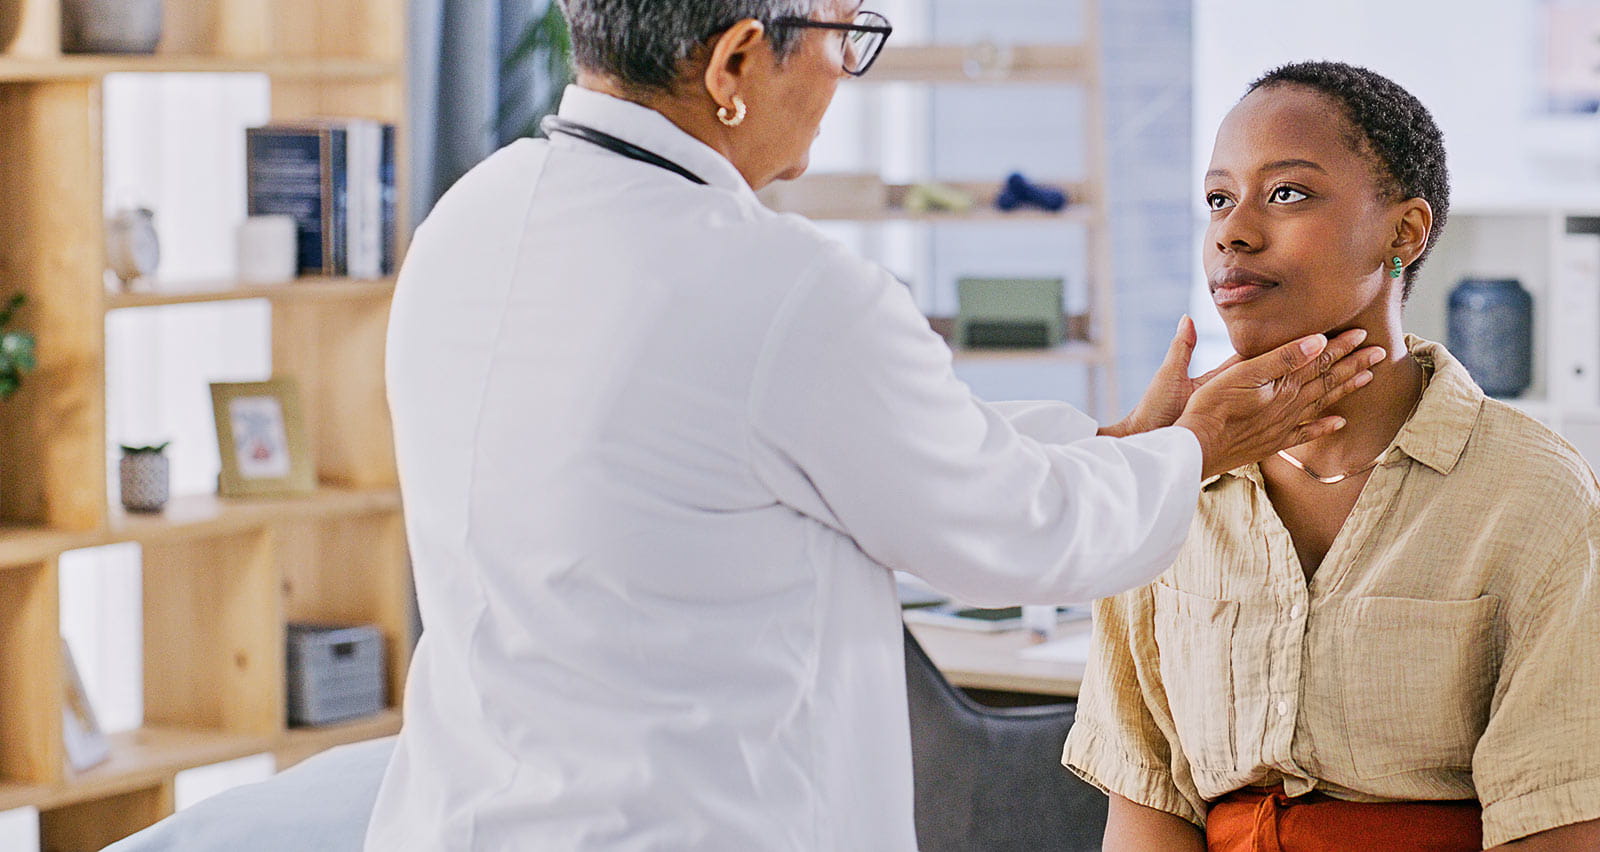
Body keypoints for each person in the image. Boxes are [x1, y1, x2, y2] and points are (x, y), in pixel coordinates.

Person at [367, 2, 1383, 847]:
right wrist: (1198, 448)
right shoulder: (784, 290)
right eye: (842, 38)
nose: (845, 75)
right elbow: (1016, 531)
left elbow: (827, 450)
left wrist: (1125, 446)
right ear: (735, 61)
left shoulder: (468, 218)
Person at [1063, 60, 1600, 852]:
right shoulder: (1163, 479)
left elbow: (1558, 822)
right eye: (1218, 199)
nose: (1233, 231)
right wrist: (1144, 463)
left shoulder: (1534, 495)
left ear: (1403, 233)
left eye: (1287, 193)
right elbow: (1145, 809)